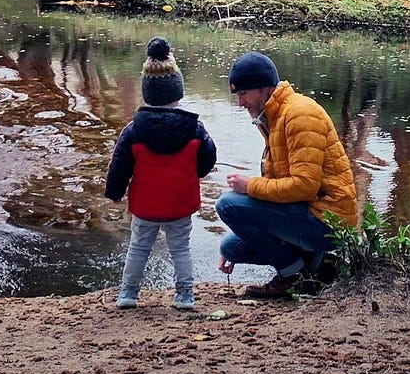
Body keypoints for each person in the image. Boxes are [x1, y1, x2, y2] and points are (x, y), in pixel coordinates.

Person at [215, 50, 359, 299]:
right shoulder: (272, 116)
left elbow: (304, 187)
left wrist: (249, 186)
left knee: (227, 205)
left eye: (243, 94)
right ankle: (317, 265)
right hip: (309, 211)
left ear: (263, 88)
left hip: (328, 221)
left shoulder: (300, 114)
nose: (240, 103)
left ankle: (293, 275)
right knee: (231, 248)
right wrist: (248, 219)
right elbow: (282, 182)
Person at [105, 37, 217, 311]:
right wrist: (195, 174)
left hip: (146, 205)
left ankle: (128, 294)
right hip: (180, 202)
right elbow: (209, 157)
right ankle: (185, 296)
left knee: (138, 248)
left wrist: (115, 193)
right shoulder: (194, 129)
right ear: (178, 92)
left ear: (147, 93)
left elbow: (119, 164)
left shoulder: (134, 131)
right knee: (180, 248)